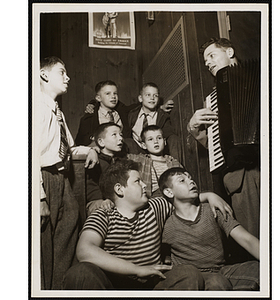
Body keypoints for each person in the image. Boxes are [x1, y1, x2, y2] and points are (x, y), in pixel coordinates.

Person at [62, 159, 204, 290]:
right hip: (115, 286)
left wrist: (210, 196)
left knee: (188, 273)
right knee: (80, 273)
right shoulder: (103, 215)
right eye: (137, 181)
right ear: (119, 189)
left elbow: (182, 199)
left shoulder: (154, 207)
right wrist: (136, 269)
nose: (144, 184)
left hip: (152, 285)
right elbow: (84, 250)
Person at [187, 38, 260, 240]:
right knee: (254, 239)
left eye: (212, 56)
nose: (208, 63)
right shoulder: (212, 100)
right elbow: (214, 146)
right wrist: (194, 129)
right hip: (240, 177)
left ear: (229, 52)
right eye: (205, 62)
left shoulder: (262, 75)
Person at [39, 56, 99, 289]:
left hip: (62, 179)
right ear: (44, 75)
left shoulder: (58, 112)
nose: (68, 77)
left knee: (69, 228)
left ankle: (57, 288)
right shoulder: (36, 107)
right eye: (62, 72)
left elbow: (67, 149)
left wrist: (89, 150)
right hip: (44, 178)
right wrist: (40, 196)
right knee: (43, 242)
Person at [86, 123, 233, 217]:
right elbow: (110, 155)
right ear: (143, 145)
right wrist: (92, 149)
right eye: (150, 139)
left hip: (172, 198)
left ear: (165, 141)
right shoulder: (137, 159)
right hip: (152, 200)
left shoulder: (173, 162)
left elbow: (184, 185)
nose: (156, 142)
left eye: (159, 138)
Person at [159, 167, 260, 291]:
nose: (191, 181)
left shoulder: (212, 209)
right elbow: (165, 257)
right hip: (191, 278)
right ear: (169, 192)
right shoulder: (169, 225)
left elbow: (246, 239)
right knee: (217, 282)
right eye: (182, 180)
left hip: (221, 270)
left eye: (190, 178)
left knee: (258, 269)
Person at [127, 82, 182, 162]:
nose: (152, 98)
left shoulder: (162, 116)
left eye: (155, 95)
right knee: (128, 142)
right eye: (148, 95)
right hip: (138, 149)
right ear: (140, 98)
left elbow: (168, 133)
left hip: (155, 149)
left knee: (174, 138)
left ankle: (175, 169)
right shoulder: (132, 114)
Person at [75, 80, 134, 146]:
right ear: (98, 98)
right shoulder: (89, 119)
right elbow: (81, 143)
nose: (113, 96)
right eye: (108, 93)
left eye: (115, 93)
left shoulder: (123, 113)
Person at [85, 122, 126, 216]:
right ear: (101, 142)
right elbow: (91, 185)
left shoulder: (120, 161)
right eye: (114, 135)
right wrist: (100, 200)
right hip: (97, 200)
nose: (120, 138)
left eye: (121, 135)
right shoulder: (96, 160)